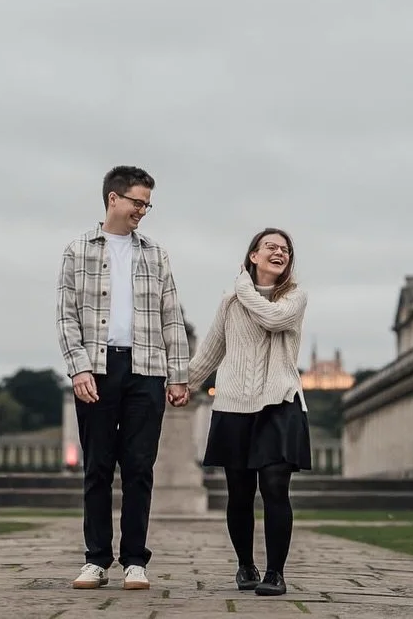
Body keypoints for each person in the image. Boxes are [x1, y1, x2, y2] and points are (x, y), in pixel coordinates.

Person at [56, 165, 191, 592]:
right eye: (138, 202)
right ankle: (96, 559)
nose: (143, 211)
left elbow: (172, 316)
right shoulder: (77, 250)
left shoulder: (156, 254)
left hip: (147, 369)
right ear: (113, 199)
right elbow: (66, 315)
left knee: (139, 468)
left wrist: (179, 374)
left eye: (147, 204)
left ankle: (135, 560)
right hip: (96, 367)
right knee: (97, 467)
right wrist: (77, 366)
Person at [187, 228, 309, 597]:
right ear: (253, 255)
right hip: (234, 405)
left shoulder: (295, 297)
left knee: (275, 487)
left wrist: (243, 289)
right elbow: (210, 352)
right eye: (270, 246)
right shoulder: (229, 303)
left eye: (285, 249)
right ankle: (245, 565)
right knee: (239, 493)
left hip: (280, 401)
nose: (279, 252)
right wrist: (180, 386)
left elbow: (272, 319)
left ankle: (275, 573)